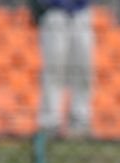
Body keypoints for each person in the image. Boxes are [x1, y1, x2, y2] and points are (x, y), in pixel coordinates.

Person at [30, 0, 95, 137]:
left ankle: (80, 121)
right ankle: (50, 122)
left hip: (80, 11)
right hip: (54, 11)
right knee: (53, 70)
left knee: (83, 71)